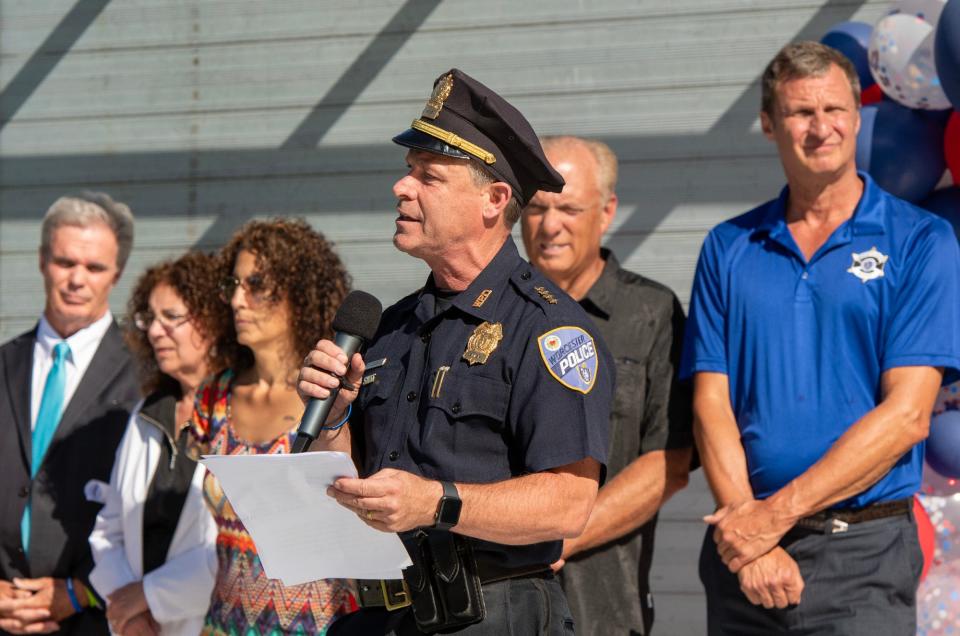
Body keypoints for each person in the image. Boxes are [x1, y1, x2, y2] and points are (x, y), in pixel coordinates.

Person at [298, 68, 614, 635]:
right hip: (380, 615)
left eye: (429, 177)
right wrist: (335, 419)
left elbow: (570, 502)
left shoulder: (548, 328)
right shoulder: (388, 329)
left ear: (493, 199)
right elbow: (357, 482)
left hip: (493, 615)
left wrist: (436, 503)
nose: (403, 188)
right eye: (407, 172)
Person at [682, 41, 960, 635]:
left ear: (858, 118)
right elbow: (711, 404)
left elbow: (908, 416)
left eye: (835, 110)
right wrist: (750, 537)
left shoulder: (919, 241)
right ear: (767, 124)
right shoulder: (728, 247)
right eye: (800, 113)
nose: (820, 128)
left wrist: (770, 519)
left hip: (862, 556)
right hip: (744, 562)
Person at [521, 135, 693, 636]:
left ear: (607, 210)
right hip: (494, 608)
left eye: (569, 208)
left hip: (606, 606)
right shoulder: (488, 316)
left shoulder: (651, 314)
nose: (550, 225)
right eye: (536, 207)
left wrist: (557, 537)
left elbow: (670, 463)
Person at [186, 218, 355, 635]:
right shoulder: (213, 397)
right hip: (223, 624)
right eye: (235, 285)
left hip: (323, 624)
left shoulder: (335, 394)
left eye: (257, 285)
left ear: (299, 294)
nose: (238, 301)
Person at [0, 192, 140, 635]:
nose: (77, 279)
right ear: (42, 261)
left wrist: (81, 591)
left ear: (115, 274)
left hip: (95, 619)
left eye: (95, 267)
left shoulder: (148, 376)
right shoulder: (4, 362)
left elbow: (159, 513)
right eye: (65, 262)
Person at [88, 252, 229, 636]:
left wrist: (148, 595)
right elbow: (108, 530)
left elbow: (241, 550)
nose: (154, 331)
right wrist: (131, 617)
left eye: (171, 317)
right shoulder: (147, 415)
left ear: (214, 321)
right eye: (150, 318)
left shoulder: (244, 414)